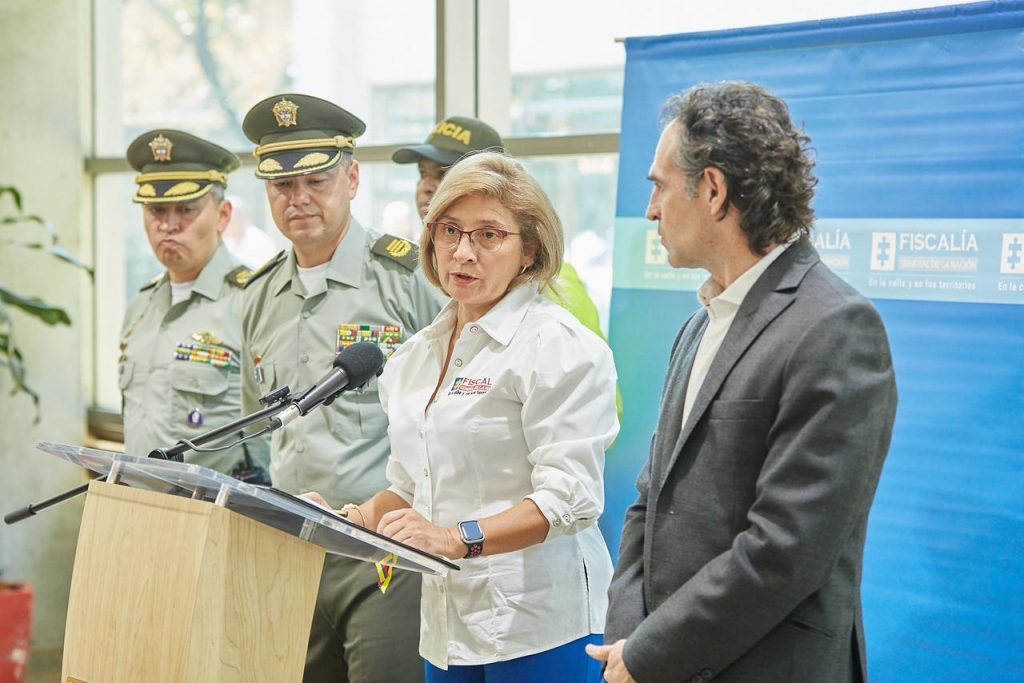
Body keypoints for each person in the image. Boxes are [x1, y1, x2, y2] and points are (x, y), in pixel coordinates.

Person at [588, 82, 898, 683]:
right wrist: (631, 637)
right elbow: (650, 501)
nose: (650, 210)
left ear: (712, 190)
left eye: (658, 186)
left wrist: (652, 652)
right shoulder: (698, 326)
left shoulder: (836, 327)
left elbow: (786, 550)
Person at [308, 151, 619, 682]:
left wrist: (451, 538)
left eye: (489, 235)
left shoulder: (561, 348)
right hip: (448, 625)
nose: (463, 252)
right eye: (449, 231)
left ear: (531, 250)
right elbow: (409, 488)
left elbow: (571, 500)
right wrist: (348, 521)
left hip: (541, 625)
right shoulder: (413, 358)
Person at [239, 93, 444, 683]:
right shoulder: (258, 296)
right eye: (281, 185)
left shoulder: (409, 279)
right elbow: (258, 428)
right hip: (290, 548)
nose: (298, 198)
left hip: (381, 550)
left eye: (317, 180)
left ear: (352, 178)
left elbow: (455, 411)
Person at [393, 116, 622, 419]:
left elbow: (595, 403)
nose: (428, 187)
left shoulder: (553, 283)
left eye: (447, 173)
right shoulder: (427, 269)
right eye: (424, 173)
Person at [119, 129, 268, 479]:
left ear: (223, 215)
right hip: (140, 507)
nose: (168, 225)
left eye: (186, 209)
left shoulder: (254, 299)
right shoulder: (142, 306)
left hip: (220, 511)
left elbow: (278, 429)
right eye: (156, 209)